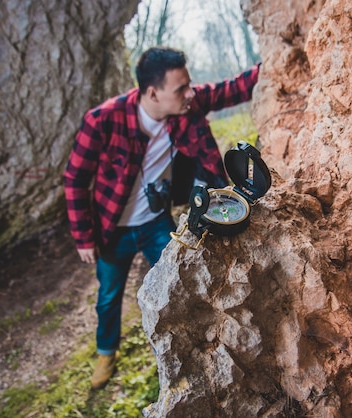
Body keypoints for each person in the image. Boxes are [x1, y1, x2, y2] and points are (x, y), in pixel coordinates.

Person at [63, 46, 260, 389]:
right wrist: (84, 237)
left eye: (190, 84)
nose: (191, 93)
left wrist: (278, 59)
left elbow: (233, 88)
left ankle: (181, 353)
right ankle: (106, 352)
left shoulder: (187, 105)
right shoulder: (103, 120)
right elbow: (75, 179)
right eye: (181, 88)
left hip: (156, 223)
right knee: (109, 295)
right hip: (112, 230)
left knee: (177, 287)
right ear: (153, 93)